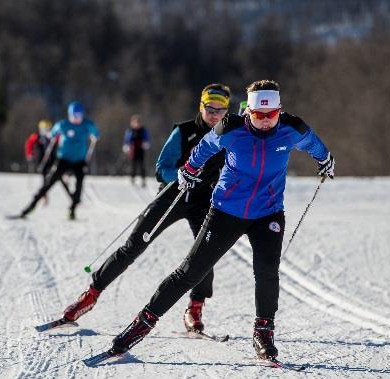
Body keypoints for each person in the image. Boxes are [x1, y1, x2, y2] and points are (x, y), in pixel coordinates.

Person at [108, 79, 335, 361]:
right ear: (248, 112)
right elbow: (204, 147)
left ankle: (263, 332)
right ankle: (141, 325)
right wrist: (189, 169)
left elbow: (315, 144)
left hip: (268, 213)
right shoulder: (230, 128)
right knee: (191, 272)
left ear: (279, 110)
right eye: (258, 115)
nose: (265, 121)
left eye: (272, 115)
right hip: (226, 211)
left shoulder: (292, 128)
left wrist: (325, 159)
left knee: (267, 272)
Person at [61, 83, 232, 333]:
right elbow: (161, 167)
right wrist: (180, 175)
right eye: (210, 108)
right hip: (172, 197)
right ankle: (92, 293)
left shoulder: (229, 135)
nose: (214, 114)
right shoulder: (184, 132)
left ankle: (195, 307)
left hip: (202, 202)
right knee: (133, 247)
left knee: (204, 255)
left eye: (220, 110)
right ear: (201, 106)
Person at [14, 101, 99, 220]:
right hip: (63, 159)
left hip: (79, 161)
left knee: (79, 185)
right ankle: (31, 206)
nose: (76, 119)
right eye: (74, 116)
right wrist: (52, 135)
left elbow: (96, 133)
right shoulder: (63, 124)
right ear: (70, 115)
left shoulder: (87, 125)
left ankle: (72, 209)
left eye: (79, 116)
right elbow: (52, 133)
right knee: (49, 182)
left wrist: (95, 136)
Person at [122, 114, 151, 187]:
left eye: (138, 123)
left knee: (141, 164)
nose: (137, 124)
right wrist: (126, 146)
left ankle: (143, 179)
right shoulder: (130, 130)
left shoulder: (143, 130)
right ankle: (132, 178)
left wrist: (146, 144)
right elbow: (127, 139)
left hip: (140, 149)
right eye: (135, 123)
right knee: (133, 165)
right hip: (132, 150)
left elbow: (147, 138)